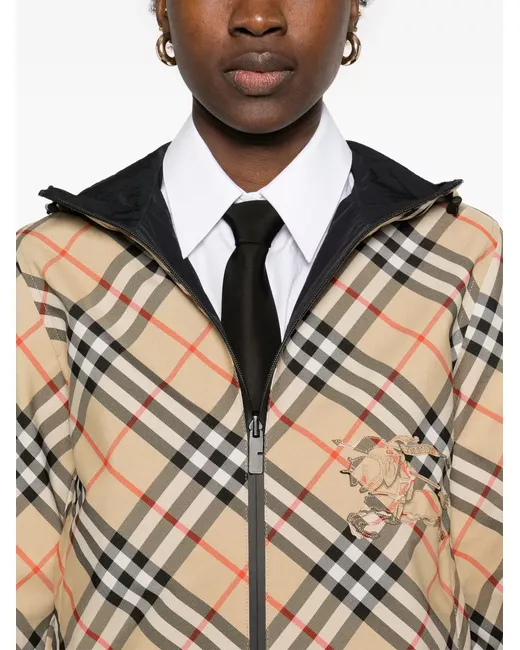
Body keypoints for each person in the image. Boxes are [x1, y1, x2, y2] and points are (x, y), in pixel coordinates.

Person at [16, 0, 503, 648]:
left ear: (355, 8)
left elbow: (495, 585)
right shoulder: (55, 268)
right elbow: (20, 589)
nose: (256, 16)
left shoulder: (460, 261)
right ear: (161, 8)